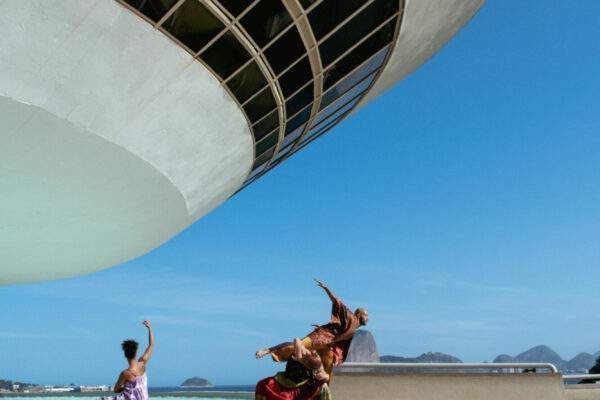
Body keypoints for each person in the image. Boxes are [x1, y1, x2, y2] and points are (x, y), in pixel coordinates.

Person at [255, 279, 368, 378]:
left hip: (328, 345)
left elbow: (338, 330)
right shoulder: (351, 318)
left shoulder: (352, 327)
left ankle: (321, 394)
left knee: (328, 370)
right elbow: (337, 302)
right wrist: (326, 288)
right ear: (358, 315)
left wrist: (327, 328)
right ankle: (267, 350)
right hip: (320, 337)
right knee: (298, 345)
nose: (367, 318)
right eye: (365, 315)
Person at [255, 337, 331, 400]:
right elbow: (293, 342)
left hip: (301, 378)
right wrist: (265, 351)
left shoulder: (304, 356)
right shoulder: (314, 361)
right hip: (298, 377)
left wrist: (266, 351)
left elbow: (295, 341)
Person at [105, 321, 154, 400]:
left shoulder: (125, 373)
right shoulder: (142, 363)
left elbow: (115, 390)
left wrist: (125, 388)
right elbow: (151, 345)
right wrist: (149, 328)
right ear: (136, 354)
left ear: (125, 355)